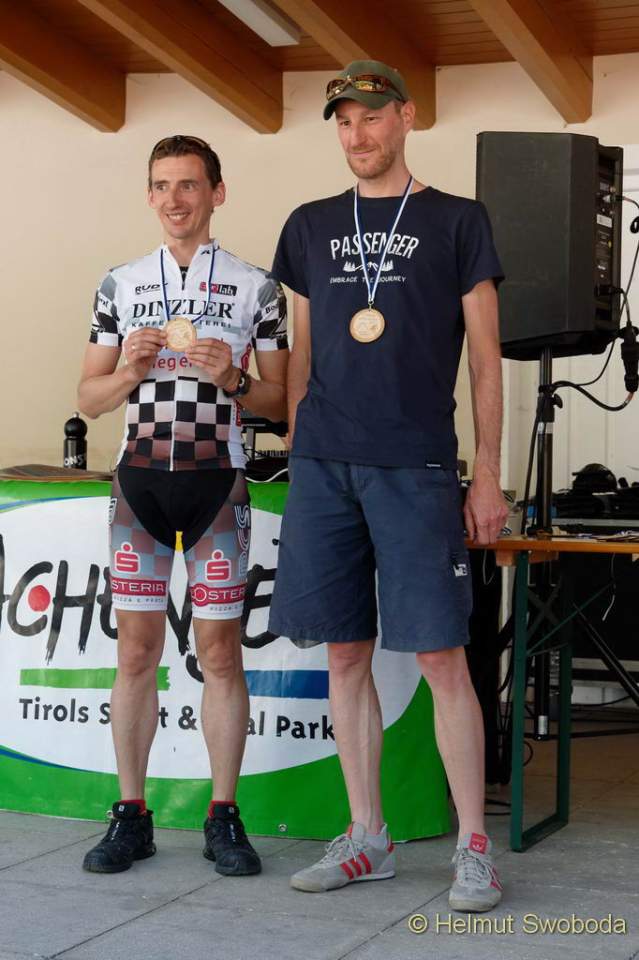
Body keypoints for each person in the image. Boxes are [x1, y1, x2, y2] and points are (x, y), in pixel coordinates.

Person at [268, 61, 508, 912]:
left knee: (441, 655)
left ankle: (472, 846)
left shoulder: (457, 220)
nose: (356, 134)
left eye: (370, 116)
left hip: (414, 465)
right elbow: (302, 351)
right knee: (343, 651)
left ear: (405, 117)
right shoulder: (309, 225)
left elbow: (486, 360)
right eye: (343, 121)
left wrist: (487, 474)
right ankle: (366, 834)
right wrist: (298, 442)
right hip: (324, 466)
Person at [77, 134, 288, 876]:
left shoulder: (257, 287)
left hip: (216, 485)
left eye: (189, 184)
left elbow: (282, 403)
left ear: (216, 193)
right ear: (149, 196)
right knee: (136, 652)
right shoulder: (120, 283)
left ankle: (223, 815)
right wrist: (128, 373)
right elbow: (88, 398)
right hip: (138, 484)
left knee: (220, 654)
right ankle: (130, 814)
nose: (175, 199)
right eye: (162, 185)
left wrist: (233, 379)